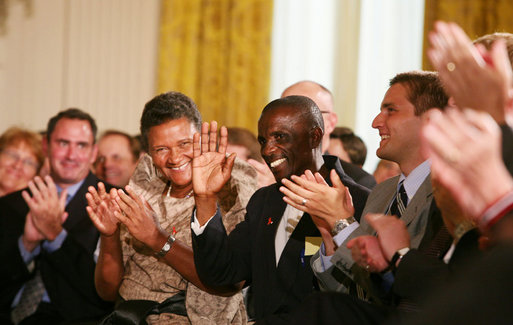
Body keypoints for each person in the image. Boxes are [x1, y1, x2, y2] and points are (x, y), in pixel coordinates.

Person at [191, 95, 370, 324]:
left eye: (279, 137)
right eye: (263, 140)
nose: (267, 150)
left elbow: (361, 296)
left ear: (314, 136)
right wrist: (205, 198)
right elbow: (222, 273)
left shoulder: (359, 201)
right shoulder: (264, 201)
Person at [87, 91, 256, 324]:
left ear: (200, 137)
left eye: (184, 144)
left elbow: (229, 283)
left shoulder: (231, 182)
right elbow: (107, 292)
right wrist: (109, 235)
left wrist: (157, 238)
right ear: (148, 152)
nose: (175, 158)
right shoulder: (145, 185)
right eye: (161, 149)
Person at [280, 71, 449, 301]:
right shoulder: (383, 192)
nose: (376, 122)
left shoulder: (448, 194)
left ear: (431, 119)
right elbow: (354, 294)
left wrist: (342, 223)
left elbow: (408, 289)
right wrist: (330, 242)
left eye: (391, 110)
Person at [0, 108, 114, 325]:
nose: (71, 155)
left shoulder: (113, 200)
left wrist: (56, 236)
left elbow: (106, 292)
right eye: (63, 143)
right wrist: (27, 244)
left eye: (81, 145)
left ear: (93, 152)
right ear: (46, 146)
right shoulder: (11, 204)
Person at [282, 80, 376, 189]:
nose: (290, 122)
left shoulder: (356, 180)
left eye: (304, 114)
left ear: (331, 122)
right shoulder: (265, 169)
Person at [0, 127, 44, 197]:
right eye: (12, 155)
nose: (17, 165)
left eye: (29, 162)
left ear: (36, 175)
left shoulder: (37, 208)